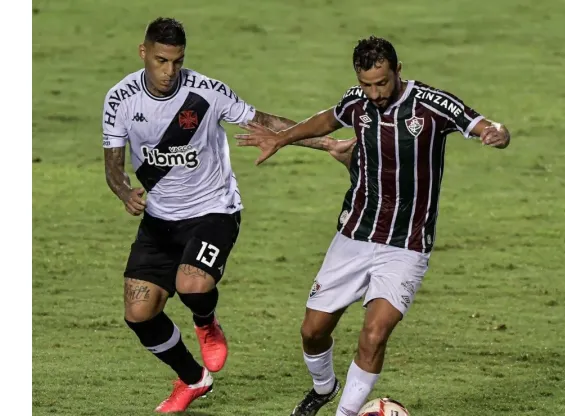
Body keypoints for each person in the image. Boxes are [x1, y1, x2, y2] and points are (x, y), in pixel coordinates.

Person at [235, 36, 511, 416]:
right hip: (354, 236)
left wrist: (497, 134)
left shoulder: (431, 105)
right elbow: (328, 118)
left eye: (382, 83)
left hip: (407, 244)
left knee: (375, 334)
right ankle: (324, 387)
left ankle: (345, 414)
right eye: (367, 84)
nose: (375, 93)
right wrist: (282, 139)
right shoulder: (358, 100)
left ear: (398, 71)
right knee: (312, 331)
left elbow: (482, 124)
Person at [102, 17, 354, 413]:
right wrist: (122, 191)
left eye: (177, 61)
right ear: (143, 53)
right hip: (159, 219)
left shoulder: (206, 93)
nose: (170, 71)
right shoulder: (120, 99)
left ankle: (206, 323)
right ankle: (193, 379)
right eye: (162, 60)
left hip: (213, 209)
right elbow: (113, 164)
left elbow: (265, 121)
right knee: (139, 312)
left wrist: (330, 145)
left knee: (192, 285)